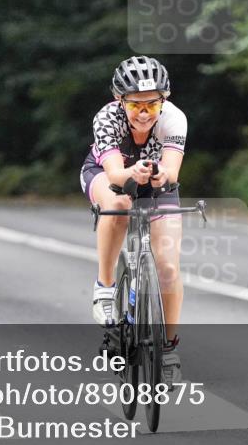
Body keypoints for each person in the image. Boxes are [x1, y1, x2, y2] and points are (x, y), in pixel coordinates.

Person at [80, 56, 187, 384]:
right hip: (106, 175)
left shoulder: (174, 119)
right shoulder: (107, 118)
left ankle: (168, 348)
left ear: (163, 101)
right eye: (135, 105)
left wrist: (158, 176)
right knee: (119, 202)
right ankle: (105, 286)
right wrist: (133, 173)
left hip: (156, 184)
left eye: (152, 105)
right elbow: (114, 174)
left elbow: (171, 171)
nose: (143, 113)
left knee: (168, 267)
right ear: (119, 100)